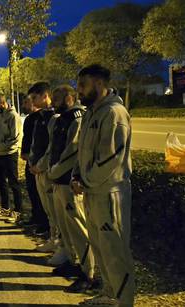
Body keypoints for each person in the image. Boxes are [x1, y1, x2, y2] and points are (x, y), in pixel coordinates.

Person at [72, 64, 134, 307]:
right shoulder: (92, 112)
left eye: (82, 85)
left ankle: (124, 300)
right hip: (92, 192)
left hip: (110, 194)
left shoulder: (114, 113)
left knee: (115, 251)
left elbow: (111, 158)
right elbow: (82, 151)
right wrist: (77, 177)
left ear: (99, 84)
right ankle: (109, 295)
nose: (79, 91)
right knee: (99, 247)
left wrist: (84, 180)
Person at [46, 85, 95, 293]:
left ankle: (88, 274)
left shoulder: (76, 117)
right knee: (66, 228)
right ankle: (74, 263)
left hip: (68, 182)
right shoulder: (61, 118)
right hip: (59, 181)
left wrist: (55, 170)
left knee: (78, 228)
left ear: (68, 98)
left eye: (56, 98)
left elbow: (73, 150)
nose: (52, 102)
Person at [27, 81, 68, 266]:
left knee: (57, 212)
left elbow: (52, 147)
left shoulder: (54, 117)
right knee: (49, 210)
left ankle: (62, 247)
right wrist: (31, 162)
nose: (32, 101)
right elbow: (36, 144)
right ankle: (53, 240)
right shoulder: (41, 116)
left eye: (35, 97)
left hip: (48, 171)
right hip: (38, 170)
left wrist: (41, 165)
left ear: (45, 95)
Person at [0, 94, 23, 223]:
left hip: (10, 153)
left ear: (2, 103)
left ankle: (18, 210)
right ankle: (5, 207)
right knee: (1, 181)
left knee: (13, 182)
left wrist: (1, 146)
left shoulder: (13, 116)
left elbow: (15, 137)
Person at [20, 96, 49, 231]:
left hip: (40, 162)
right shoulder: (29, 119)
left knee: (40, 194)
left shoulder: (43, 117)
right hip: (30, 161)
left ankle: (44, 223)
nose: (24, 105)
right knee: (32, 190)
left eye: (26, 102)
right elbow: (27, 138)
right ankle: (35, 217)